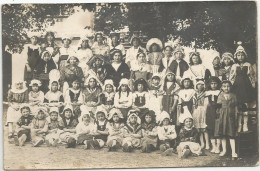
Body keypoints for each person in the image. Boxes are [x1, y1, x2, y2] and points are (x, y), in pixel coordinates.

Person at [229, 43, 256, 132]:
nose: (240, 57)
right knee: (238, 105)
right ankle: (239, 124)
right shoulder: (234, 66)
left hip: (246, 87)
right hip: (237, 87)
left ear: (245, 56)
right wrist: (230, 86)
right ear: (236, 56)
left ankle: (245, 124)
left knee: (245, 105)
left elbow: (251, 76)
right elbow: (231, 77)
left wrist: (253, 85)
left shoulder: (248, 65)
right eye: (238, 55)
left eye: (242, 55)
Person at [214, 80, 238, 159]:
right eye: (224, 86)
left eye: (228, 86)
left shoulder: (233, 95)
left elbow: (236, 107)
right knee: (223, 135)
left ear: (230, 87)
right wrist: (218, 117)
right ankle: (224, 150)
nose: (226, 88)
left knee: (231, 134)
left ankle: (233, 152)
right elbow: (218, 108)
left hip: (230, 117)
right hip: (222, 117)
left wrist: (235, 116)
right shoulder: (220, 95)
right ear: (222, 87)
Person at [204, 76, 221, 154]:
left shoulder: (220, 92)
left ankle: (218, 147)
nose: (213, 85)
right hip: (210, 112)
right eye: (212, 84)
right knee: (210, 129)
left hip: (217, 111)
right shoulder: (207, 93)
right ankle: (213, 146)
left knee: (217, 129)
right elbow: (205, 104)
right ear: (209, 84)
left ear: (218, 84)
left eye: (215, 83)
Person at [192, 78, 209, 150]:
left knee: (204, 128)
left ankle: (207, 143)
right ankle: (202, 143)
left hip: (203, 110)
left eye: (202, 85)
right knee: (199, 128)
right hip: (196, 110)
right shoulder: (194, 94)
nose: (200, 86)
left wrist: (205, 110)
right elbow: (193, 103)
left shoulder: (205, 94)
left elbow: (206, 103)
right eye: (198, 85)